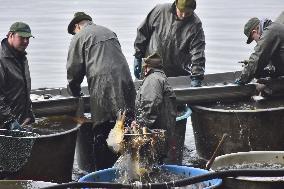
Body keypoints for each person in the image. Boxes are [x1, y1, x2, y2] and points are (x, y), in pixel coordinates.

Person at [66, 12, 136, 170]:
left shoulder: (79, 36)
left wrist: (74, 92)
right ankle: (130, 169)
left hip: (102, 83)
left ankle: (104, 174)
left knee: (102, 130)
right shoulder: (109, 31)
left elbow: (74, 69)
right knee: (127, 124)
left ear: (77, 26)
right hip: (125, 80)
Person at [133, 0, 205, 87]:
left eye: (188, 13)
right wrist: (137, 56)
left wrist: (197, 77)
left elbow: (198, 53)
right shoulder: (160, 11)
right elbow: (143, 33)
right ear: (176, 5)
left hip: (178, 74)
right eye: (181, 11)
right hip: (151, 69)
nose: (183, 16)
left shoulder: (195, 25)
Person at [131, 52, 177, 164]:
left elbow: (150, 103)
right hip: (161, 135)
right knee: (156, 167)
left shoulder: (152, 79)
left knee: (147, 167)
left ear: (146, 68)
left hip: (154, 136)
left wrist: (141, 125)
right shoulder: (160, 77)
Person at [0, 22, 35, 130]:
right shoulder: (1, 59)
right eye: (22, 37)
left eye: (28, 38)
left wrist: (29, 112)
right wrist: (9, 120)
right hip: (5, 124)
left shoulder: (22, 56)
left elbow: (24, 87)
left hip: (22, 121)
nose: (25, 41)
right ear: (11, 35)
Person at [235, 17, 284, 85]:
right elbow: (265, 58)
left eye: (253, 38)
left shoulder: (270, 32)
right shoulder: (274, 27)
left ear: (254, 32)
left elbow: (258, 56)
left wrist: (242, 79)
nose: (256, 41)